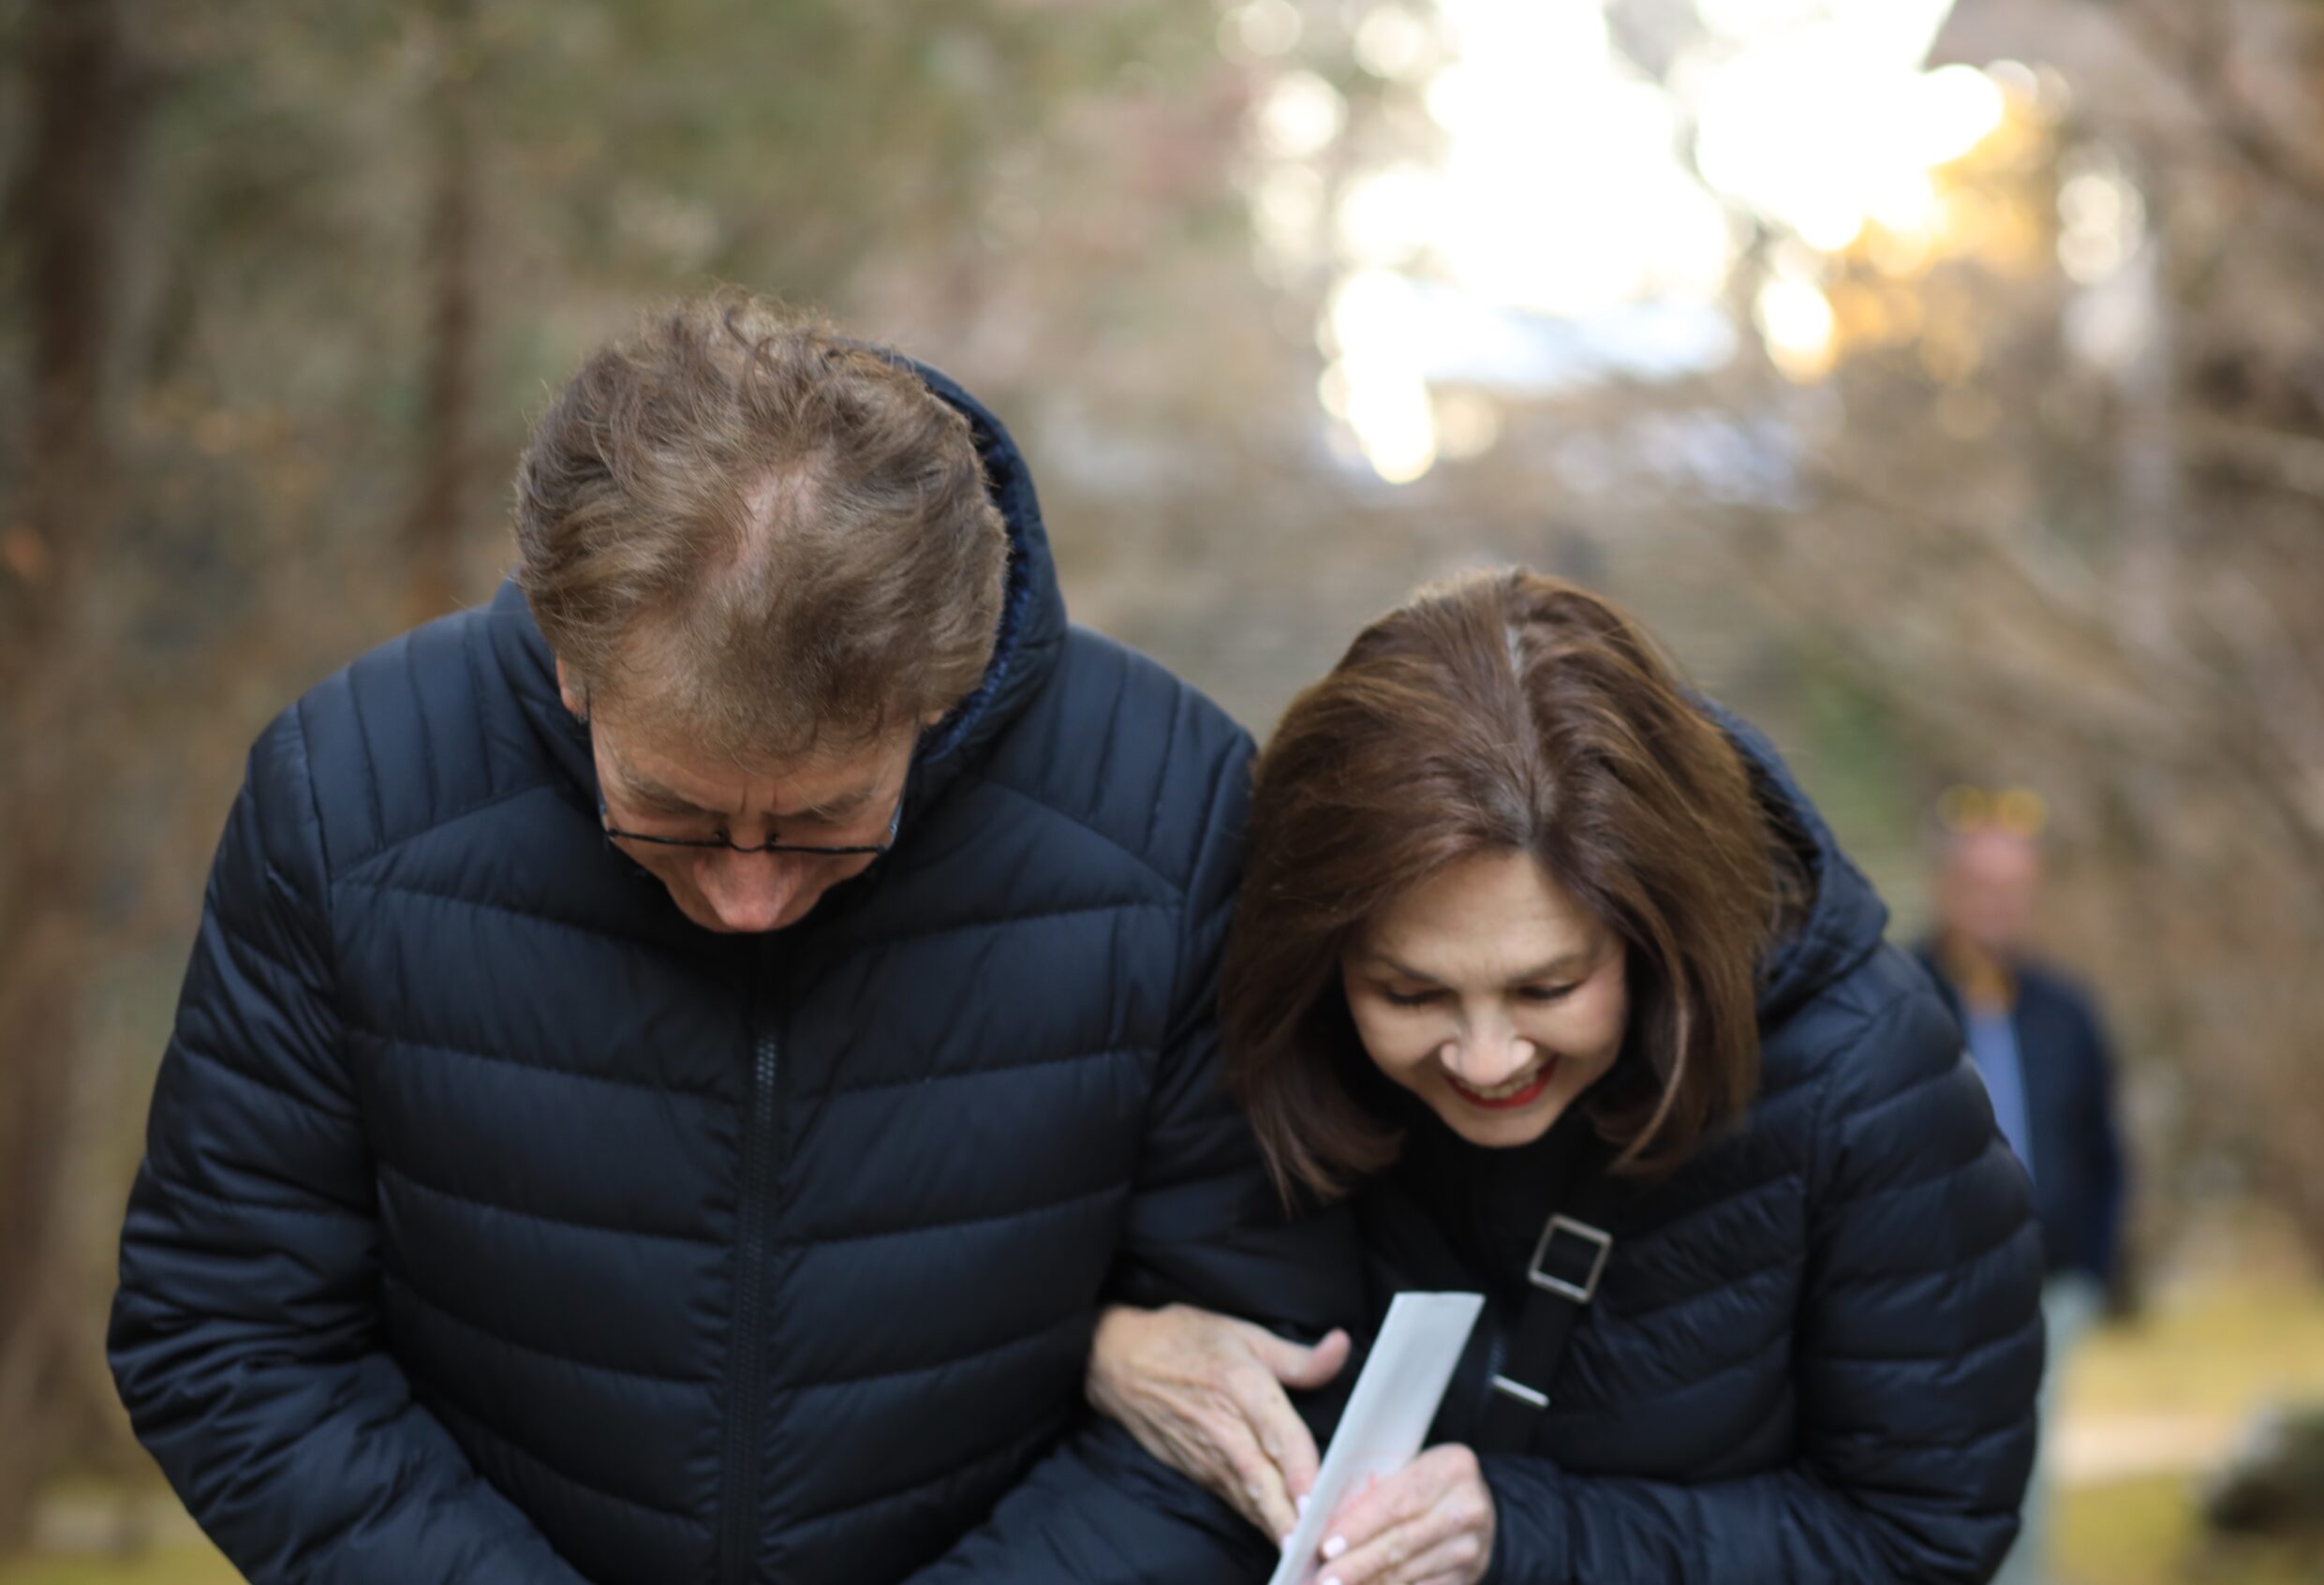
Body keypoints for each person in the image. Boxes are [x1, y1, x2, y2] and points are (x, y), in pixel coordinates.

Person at [106, 293, 1360, 1584]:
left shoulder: (1168, 807)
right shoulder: (351, 795)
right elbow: (226, 1330)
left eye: (822, 818)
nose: (747, 895)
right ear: (569, 660)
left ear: (937, 692)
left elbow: (1270, 1351)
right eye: (674, 810)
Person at [1087, 570, 2045, 1585]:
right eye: (1410, 996)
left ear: (1658, 929)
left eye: (1548, 986)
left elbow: (1922, 1541)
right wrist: (1107, 1349)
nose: (1486, 1061)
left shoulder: (1867, 1080)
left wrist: (1522, 1537)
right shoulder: (1271, 1026)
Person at [1917, 806, 2129, 1585]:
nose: (1996, 904)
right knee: (1928, 1466)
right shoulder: (1897, 996)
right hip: (1926, 1289)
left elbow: (2103, 1149)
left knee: (2027, 1482)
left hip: (2046, 1288)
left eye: (2014, 887)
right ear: (1946, 884)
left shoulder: (2066, 1011)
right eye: (1980, 884)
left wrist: (2095, 1272)